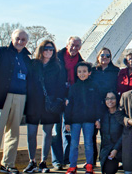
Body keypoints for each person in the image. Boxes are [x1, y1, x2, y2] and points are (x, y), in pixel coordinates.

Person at [0, 29, 32, 174]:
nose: (20, 42)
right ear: (12, 38)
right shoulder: (1, 52)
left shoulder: (26, 58)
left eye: (23, 39)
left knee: (14, 133)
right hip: (1, 97)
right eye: (18, 38)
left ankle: (8, 164)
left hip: (20, 97)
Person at [23, 40, 66, 173]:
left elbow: (61, 86)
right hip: (33, 103)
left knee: (48, 134)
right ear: (41, 50)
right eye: (46, 48)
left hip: (50, 104)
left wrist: (58, 100)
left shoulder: (58, 66)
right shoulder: (32, 64)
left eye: (51, 49)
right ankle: (32, 162)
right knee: (31, 134)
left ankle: (43, 162)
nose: (49, 51)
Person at [64, 61, 102, 174]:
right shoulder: (73, 87)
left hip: (89, 120)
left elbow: (97, 104)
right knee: (74, 143)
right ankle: (72, 166)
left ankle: (89, 165)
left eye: (84, 71)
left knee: (88, 143)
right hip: (75, 120)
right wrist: (67, 121)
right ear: (76, 73)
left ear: (89, 73)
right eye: (79, 72)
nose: (82, 74)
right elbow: (69, 105)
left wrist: (98, 119)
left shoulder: (94, 86)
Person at [54, 36, 84, 170]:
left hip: (71, 99)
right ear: (67, 45)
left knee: (68, 130)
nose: (74, 48)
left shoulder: (81, 62)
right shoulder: (56, 58)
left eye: (77, 46)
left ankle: (66, 159)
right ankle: (56, 161)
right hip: (57, 97)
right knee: (56, 130)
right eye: (72, 45)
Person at [99, 92, 123, 174]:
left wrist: (115, 149)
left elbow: (124, 135)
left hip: (121, 148)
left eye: (112, 98)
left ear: (117, 99)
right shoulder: (103, 115)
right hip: (107, 149)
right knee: (108, 170)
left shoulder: (121, 114)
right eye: (107, 99)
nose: (110, 101)